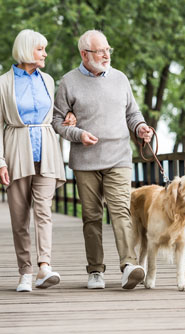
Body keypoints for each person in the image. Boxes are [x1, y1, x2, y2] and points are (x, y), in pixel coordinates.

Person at [52, 30, 153, 290]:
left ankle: (128, 265)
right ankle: (95, 270)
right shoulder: (68, 82)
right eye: (100, 51)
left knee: (121, 211)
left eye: (108, 50)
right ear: (84, 54)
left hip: (118, 156)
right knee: (91, 216)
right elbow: (56, 121)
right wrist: (77, 134)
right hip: (85, 161)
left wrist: (141, 127)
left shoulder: (120, 79)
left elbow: (132, 113)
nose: (106, 55)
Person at [0, 29, 73, 292]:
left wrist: (69, 116)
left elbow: (56, 114)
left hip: (47, 150)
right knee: (19, 217)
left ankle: (44, 266)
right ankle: (25, 272)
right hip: (16, 151)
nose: (45, 54)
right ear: (27, 50)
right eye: (41, 49)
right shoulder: (3, 84)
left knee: (43, 212)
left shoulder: (48, 80)